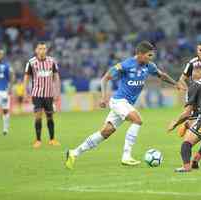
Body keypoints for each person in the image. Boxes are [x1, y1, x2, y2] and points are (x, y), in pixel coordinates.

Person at [65, 41, 183, 169]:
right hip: (119, 101)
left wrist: (175, 83)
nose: (151, 58)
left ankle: (73, 153)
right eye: (149, 55)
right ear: (139, 54)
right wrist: (104, 97)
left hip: (126, 104)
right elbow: (105, 78)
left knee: (105, 132)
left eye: (151, 55)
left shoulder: (149, 66)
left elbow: (162, 75)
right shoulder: (125, 65)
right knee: (137, 120)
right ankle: (126, 156)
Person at [23, 41, 61, 148]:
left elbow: (56, 76)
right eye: (40, 48)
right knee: (38, 116)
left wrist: (57, 91)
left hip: (49, 94)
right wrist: (25, 92)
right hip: (37, 94)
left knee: (50, 116)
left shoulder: (52, 61)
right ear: (36, 50)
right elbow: (26, 78)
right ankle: (38, 140)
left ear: (46, 50)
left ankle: (52, 139)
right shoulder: (31, 62)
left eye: (44, 48)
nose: (42, 51)